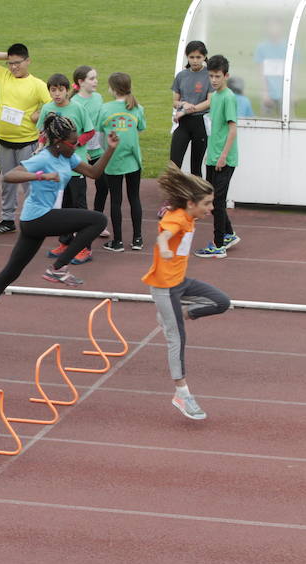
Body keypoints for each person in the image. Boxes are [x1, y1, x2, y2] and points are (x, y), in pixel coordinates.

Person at [0, 115, 119, 351]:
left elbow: (94, 173)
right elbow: (9, 175)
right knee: (97, 220)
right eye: (72, 142)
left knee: (10, 273)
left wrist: (111, 149)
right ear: (58, 142)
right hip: (37, 218)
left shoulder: (68, 155)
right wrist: (41, 175)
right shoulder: (43, 157)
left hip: (36, 220)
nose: (75, 146)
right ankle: (59, 267)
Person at [142, 163, 231, 420]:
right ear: (191, 204)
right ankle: (182, 393)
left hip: (181, 283)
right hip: (164, 287)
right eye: (207, 204)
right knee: (176, 338)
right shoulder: (176, 219)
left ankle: (179, 314)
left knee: (221, 301)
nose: (211, 209)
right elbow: (164, 234)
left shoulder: (190, 215)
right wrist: (164, 246)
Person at [0, 43, 51, 236]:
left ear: (28, 61)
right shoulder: (4, 76)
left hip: (27, 143)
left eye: (17, 63)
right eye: (10, 63)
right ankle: (7, 219)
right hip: (4, 141)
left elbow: (52, 104)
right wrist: (7, 55)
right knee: (7, 182)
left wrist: (37, 115)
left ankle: (32, 218)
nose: (13, 67)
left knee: (29, 183)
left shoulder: (37, 84)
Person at [36, 73, 95, 261]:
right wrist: (40, 145)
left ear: (67, 89)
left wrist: (75, 145)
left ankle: (85, 247)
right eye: (53, 90)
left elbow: (90, 131)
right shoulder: (47, 108)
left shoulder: (77, 108)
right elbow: (43, 132)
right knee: (62, 208)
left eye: (60, 90)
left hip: (75, 167)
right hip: (56, 167)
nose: (57, 94)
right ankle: (65, 242)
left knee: (79, 207)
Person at [195, 55, 240, 258]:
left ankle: (218, 244)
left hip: (225, 159)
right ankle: (228, 234)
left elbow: (232, 129)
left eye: (217, 76)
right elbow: (215, 129)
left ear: (226, 76)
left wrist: (223, 156)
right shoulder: (214, 96)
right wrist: (210, 154)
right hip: (213, 157)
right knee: (212, 199)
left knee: (218, 201)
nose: (214, 80)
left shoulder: (228, 97)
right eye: (211, 76)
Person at [97, 72, 146, 252]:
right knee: (134, 198)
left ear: (113, 89)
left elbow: (99, 127)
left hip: (113, 160)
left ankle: (117, 241)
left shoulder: (105, 108)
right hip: (133, 160)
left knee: (116, 201)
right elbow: (141, 127)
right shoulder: (137, 108)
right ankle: (137, 239)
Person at [69, 65, 110, 246]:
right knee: (80, 191)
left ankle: (97, 222)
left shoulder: (99, 97)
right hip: (82, 152)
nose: (96, 81)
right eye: (92, 78)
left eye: (96, 78)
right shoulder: (75, 103)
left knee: (103, 186)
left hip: (98, 150)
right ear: (80, 82)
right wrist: (81, 147)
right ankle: (81, 225)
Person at [170, 41, 211, 178]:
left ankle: (197, 198)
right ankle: (174, 196)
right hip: (183, 123)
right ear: (187, 56)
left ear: (204, 57)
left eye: (198, 57)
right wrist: (182, 105)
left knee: (196, 166)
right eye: (191, 57)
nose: (195, 60)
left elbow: (209, 102)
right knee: (174, 164)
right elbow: (175, 101)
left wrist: (187, 109)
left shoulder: (209, 76)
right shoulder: (181, 76)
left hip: (200, 123)